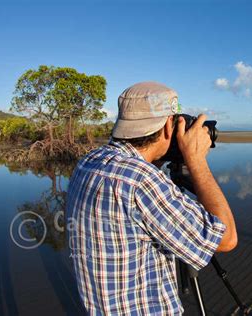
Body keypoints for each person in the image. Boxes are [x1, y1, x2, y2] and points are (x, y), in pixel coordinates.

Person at [66, 81, 237, 315]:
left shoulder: (89, 161)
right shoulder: (141, 181)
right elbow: (226, 239)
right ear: (169, 126)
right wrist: (196, 160)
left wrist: (160, 156)